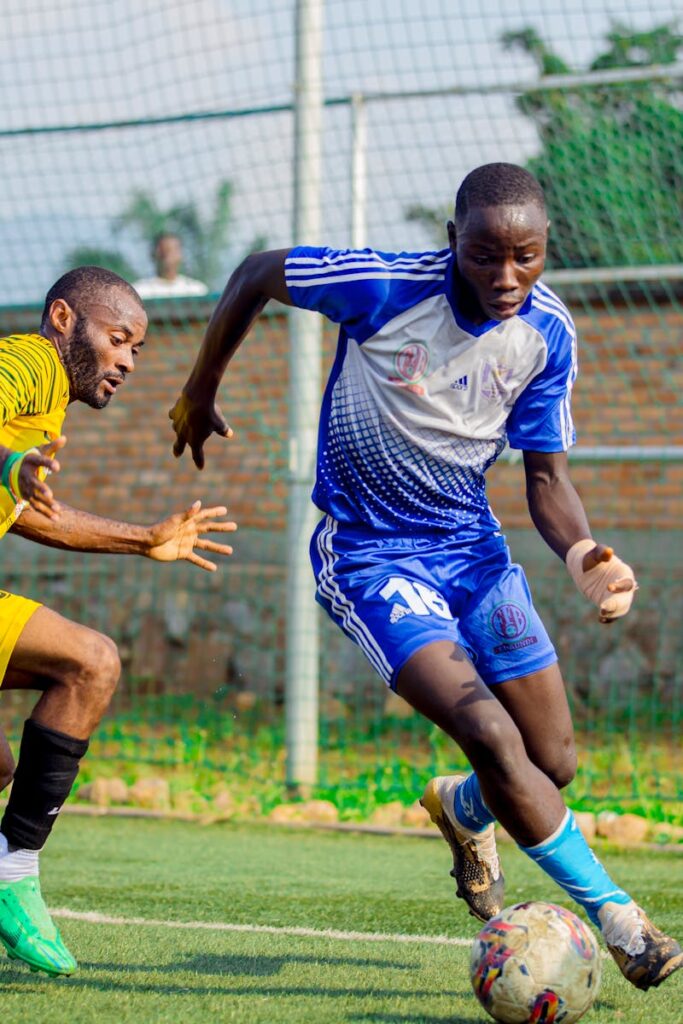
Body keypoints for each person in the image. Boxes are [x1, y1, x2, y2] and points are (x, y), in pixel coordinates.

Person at [169, 163, 682, 993]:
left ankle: (463, 808)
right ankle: (622, 920)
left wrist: (583, 553)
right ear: (453, 241)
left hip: (473, 556)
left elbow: (545, 480)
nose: (506, 276)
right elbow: (258, 271)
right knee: (490, 734)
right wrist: (199, 387)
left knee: (549, 761)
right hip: (371, 558)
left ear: (546, 249)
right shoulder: (380, 288)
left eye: (527, 255)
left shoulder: (546, 332)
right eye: (485, 255)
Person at [0, 266, 235, 978]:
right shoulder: (30, 363)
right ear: (65, 319)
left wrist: (144, 538)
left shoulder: (47, 401)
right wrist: (10, 463)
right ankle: (14, 881)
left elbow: (34, 511)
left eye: (136, 348)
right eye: (119, 339)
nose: (128, 360)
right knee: (91, 661)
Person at [133, 233, 209, 299]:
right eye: (164, 250)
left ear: (181, 255)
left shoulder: (196, 291)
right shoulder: (139, 292)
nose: (167, 255)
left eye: (173, 250)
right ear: (153, 254)